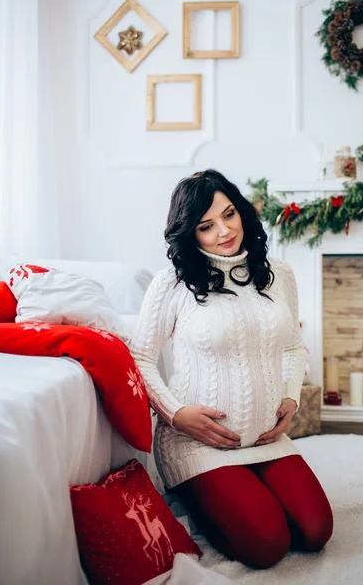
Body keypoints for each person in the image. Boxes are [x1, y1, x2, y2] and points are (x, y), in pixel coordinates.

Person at [130, 169, 333, 569]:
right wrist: (176, 414)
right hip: (198, 444)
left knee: (315, 531)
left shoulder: (278, 275)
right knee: (267, 545)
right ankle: (200, 490)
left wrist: (290, 397)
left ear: (242, 212)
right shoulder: (173, 282)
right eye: (207, 226)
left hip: (264, 439)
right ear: (191, 233)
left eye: (229, 215)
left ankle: (248, 488)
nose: (224, 231)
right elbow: (139, 357)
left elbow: (292, 345)